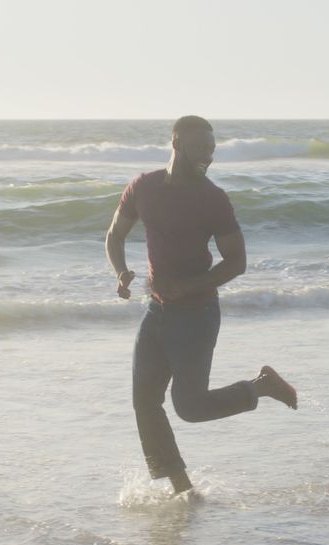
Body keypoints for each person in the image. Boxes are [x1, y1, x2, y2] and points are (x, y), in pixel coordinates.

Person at [104, 116, 298, 495]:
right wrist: (121, 272)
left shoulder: (212, 198)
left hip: (197, 316)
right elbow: (114, 234)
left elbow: (236, 262)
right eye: (200, 149)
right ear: (177, 142)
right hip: (156, 312)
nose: (207, 157)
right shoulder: (144, 187)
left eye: (212, 150)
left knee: (190, 407)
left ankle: (261, 386)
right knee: (144, 403)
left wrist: (189, 286)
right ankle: (182, 489)